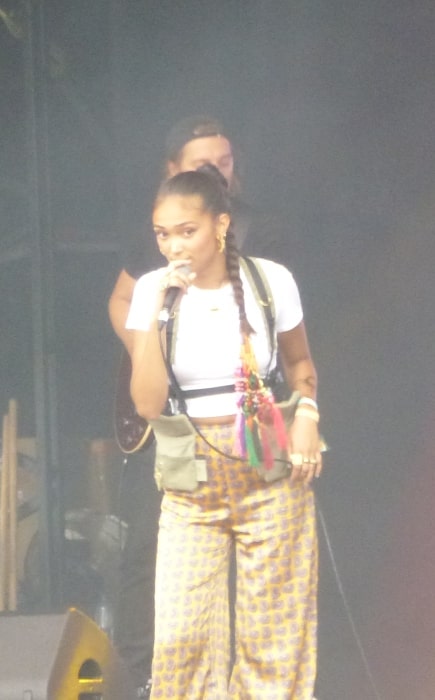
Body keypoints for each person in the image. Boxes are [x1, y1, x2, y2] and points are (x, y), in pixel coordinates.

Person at [126, 165, 323, 699]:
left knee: (273, 638)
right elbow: (146, 402)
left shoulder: (270, 280)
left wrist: (306, 417)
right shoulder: (152, 290)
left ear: (220, 225)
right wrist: (161, 316)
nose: (174, 246)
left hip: (267, 469)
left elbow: (301, 364)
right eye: (162, 234)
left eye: (186, 231)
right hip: (192, 479)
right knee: (179, 638)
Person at [108, 114, 281, 697]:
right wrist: (149, 348)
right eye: (199, 162)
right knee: (148, 549)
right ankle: (148, 678)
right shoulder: (160, 236)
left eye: (223, 161)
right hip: (173, 421)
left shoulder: (264, 239)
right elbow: (124, 299)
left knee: (259, 570)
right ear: (171, 171)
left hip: (242, 423)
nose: (213, 171)